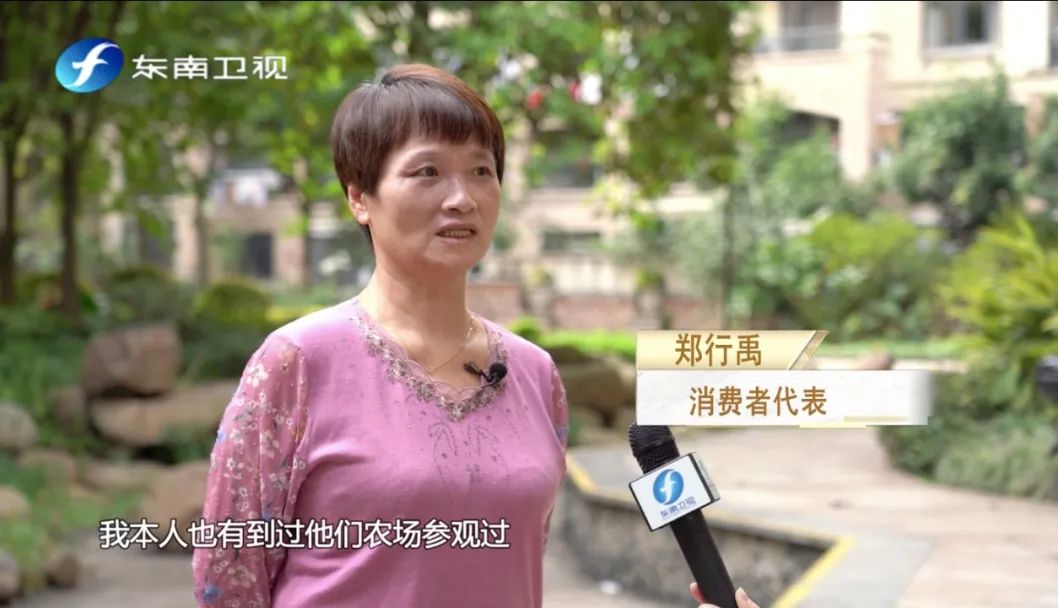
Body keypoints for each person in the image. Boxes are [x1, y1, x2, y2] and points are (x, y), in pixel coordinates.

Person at [191, 63, 758, 608]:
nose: (462, 197)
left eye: (482, 171)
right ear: (359, 197)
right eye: (427, 171)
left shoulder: (536, 374)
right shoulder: (297, 362)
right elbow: (229, 579)